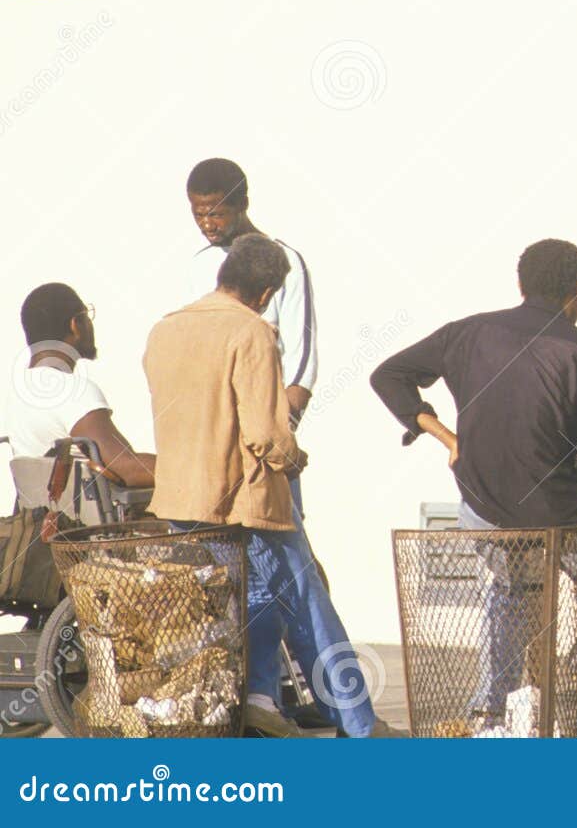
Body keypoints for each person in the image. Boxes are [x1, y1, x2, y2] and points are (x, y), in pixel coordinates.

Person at [370, 239, 577, 737]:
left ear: (520, 285)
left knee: (506, 594)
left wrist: (446, 438)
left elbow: (387, 375)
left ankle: (490, 713)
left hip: (483, 505)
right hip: (556, 512)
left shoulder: (468, 332)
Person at [144, 234, 396, 738]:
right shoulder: (252, 331)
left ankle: (256, 701)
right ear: (266, 292)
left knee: (234, 608)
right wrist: (294, 457)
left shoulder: (164, 330)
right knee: (307, 601)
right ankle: (359, 725)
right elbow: (265, 433)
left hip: (180, 500)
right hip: (246, 500)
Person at [185, 158, 318, 435]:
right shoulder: (199, 265)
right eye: (199, 215)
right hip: (213, 433)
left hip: (266, 427)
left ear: (242, 205)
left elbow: (300, 359)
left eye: (216, 214)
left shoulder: (285, 261)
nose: (207, 225)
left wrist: (280, 435)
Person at [5, 283, 155, 489]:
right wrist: (198, 468)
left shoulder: (18, 393)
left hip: (45, 516)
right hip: (94, 519)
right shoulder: (72, 391)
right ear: (75, 324)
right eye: (87, 315)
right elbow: (126, 469)